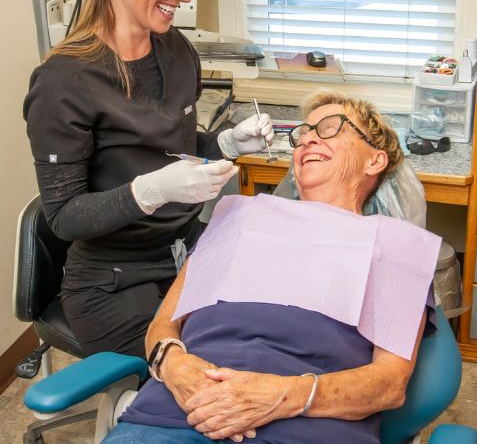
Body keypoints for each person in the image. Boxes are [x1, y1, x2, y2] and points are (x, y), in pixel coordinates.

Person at [102, 90, 440, 444]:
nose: (306, 138)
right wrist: (174, 365)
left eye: (329, 127)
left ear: (375, 160)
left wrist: (280, 395)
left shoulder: (397, 247)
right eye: (302, 133)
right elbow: (164, 323)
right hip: (179, 413)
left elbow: (388, 386)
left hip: (308, 429)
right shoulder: (239, 219)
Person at [23, 0, 273, 359]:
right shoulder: (63, 83)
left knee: (268, 334)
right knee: (210, 369)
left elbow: (173, 150)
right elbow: (63, 217)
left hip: (183, 251)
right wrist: (151, 191)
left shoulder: (177, 52)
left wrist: (223, 143)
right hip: (112, 281)